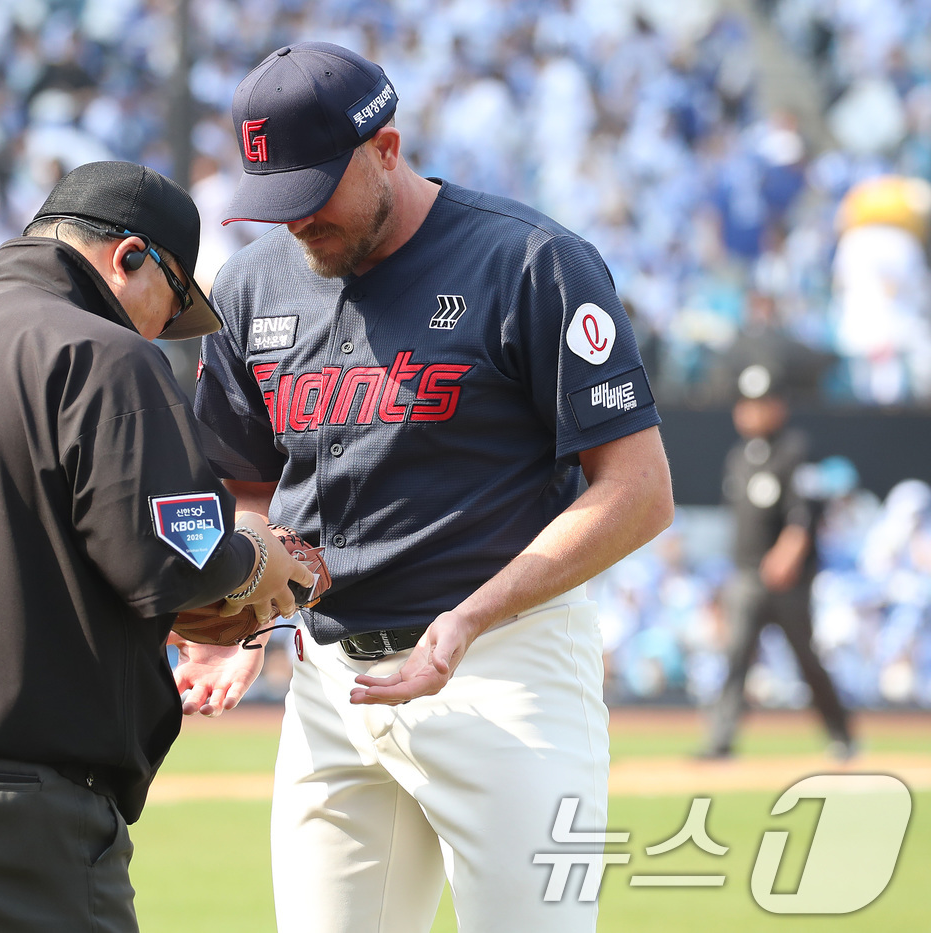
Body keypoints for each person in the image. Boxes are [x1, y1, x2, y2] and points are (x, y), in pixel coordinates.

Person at [176, 43, 674, 933]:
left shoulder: (529, 262)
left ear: (387, 149)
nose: (296, 222)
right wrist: (244, 607)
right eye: (275, 197)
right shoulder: (251, 284)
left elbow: (637, 491)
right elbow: (249, 482)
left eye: (312, 193)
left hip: (504, 669)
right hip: (330, 684)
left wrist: (471, 618)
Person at [0, 160, 313, 933]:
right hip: (2, 809)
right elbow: (179, 560)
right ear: (130, 256)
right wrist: (255, 560)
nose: (157, 329)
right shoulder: (107, 356)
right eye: (170, 302)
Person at [699, 361, 855, 759]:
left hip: (788, 580)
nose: (751, 410)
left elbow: (804, 515)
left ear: (778, 406)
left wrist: (786, 557)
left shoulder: (796, 450)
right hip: (746, 576)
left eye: (761, 402)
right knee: (735, 657)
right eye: (746, 402)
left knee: (806, 660)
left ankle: (842, 736)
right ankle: (721, 741)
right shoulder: (738, 456)